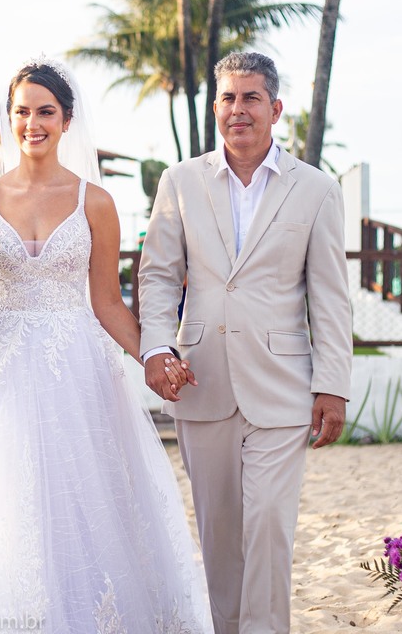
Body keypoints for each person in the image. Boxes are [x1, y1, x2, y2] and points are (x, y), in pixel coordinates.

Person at [0, 61, 211, 631]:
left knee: (82, 500)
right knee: (1, 499)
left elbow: (109, 303)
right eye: (22, 111)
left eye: (45, 111)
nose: (32, 123)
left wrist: (154, 354)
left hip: (77, 367)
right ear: (9, 119)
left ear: (66, 120)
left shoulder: (95, 202)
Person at [138, 51, 352, 634]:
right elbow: (158, 275)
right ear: (215, 108)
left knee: (269, 530)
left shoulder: (316, 189)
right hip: (201, 381)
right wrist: (156, 349)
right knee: (220, 537)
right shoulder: (180, 182)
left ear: (275, 109)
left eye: (251, 98)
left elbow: (330, 297)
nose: (239, 110)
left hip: (282, 390)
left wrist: (332, 385)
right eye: (228, 98)